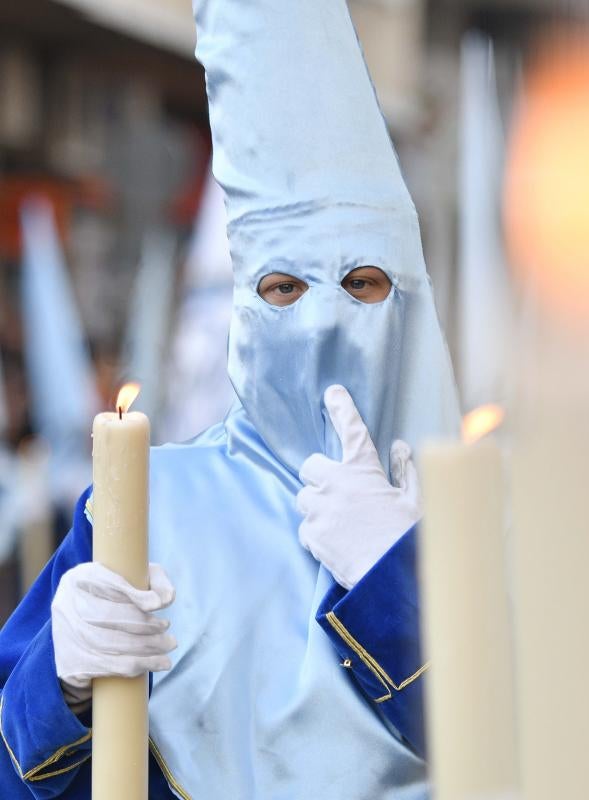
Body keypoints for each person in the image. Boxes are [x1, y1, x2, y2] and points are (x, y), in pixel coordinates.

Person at [0, 0, 459, 797]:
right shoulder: (150, 505)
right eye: (284, 289)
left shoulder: (491, 507)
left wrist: (398, 575)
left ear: (410, 300)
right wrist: (60, 684)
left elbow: (548, 751)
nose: (321, 320)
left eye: (362, 283)